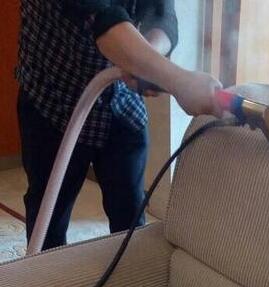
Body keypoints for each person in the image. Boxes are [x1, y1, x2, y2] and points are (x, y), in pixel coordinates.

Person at [17, 0, 222, 250]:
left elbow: (161, 12)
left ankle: (131, 271)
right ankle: (45, 272)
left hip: (121, 104)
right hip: (54, 102)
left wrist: (147, 58)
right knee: (49, 214)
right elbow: (104, 20)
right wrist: (179, 80)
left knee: (130, 214)